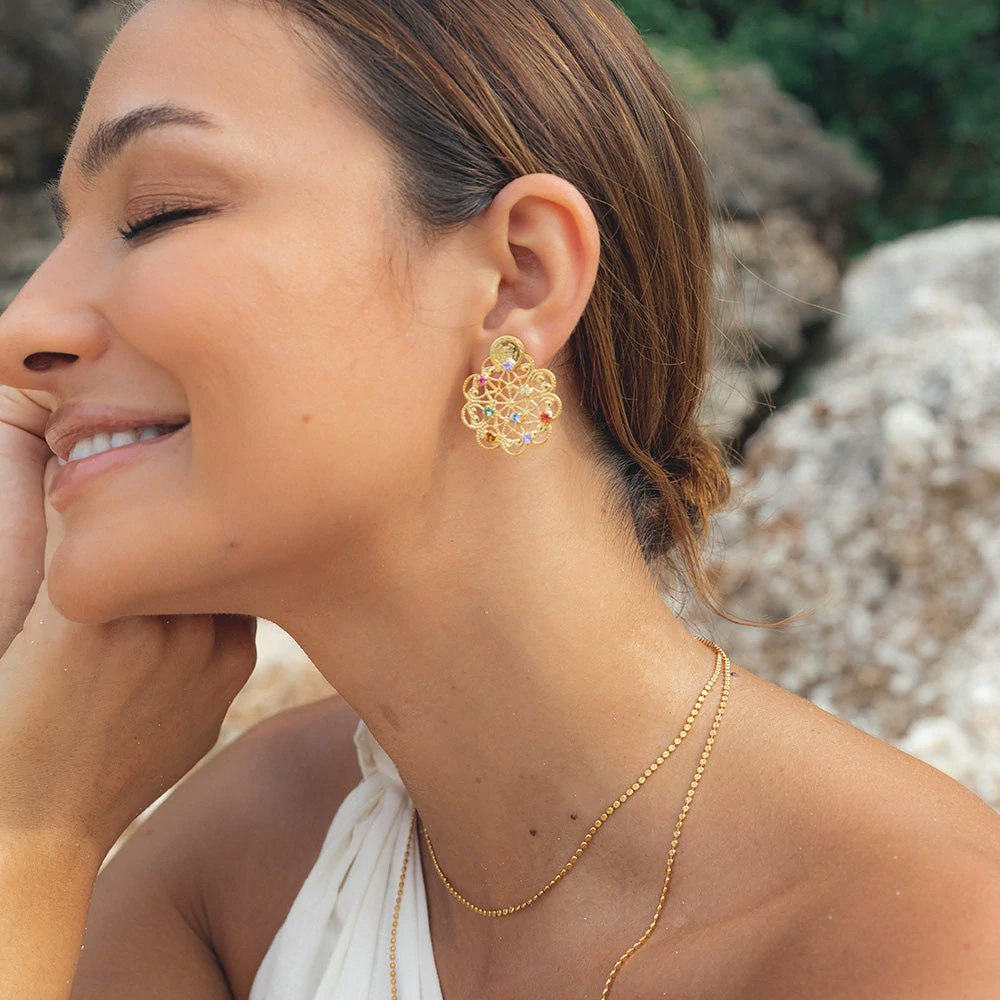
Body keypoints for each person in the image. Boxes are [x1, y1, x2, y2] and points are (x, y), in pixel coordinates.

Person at [0, 0, 997, 997]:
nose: (26, 322)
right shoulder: (230, 870)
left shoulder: (921, 932)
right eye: (62, 235)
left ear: (519, 278)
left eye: (160, 211)